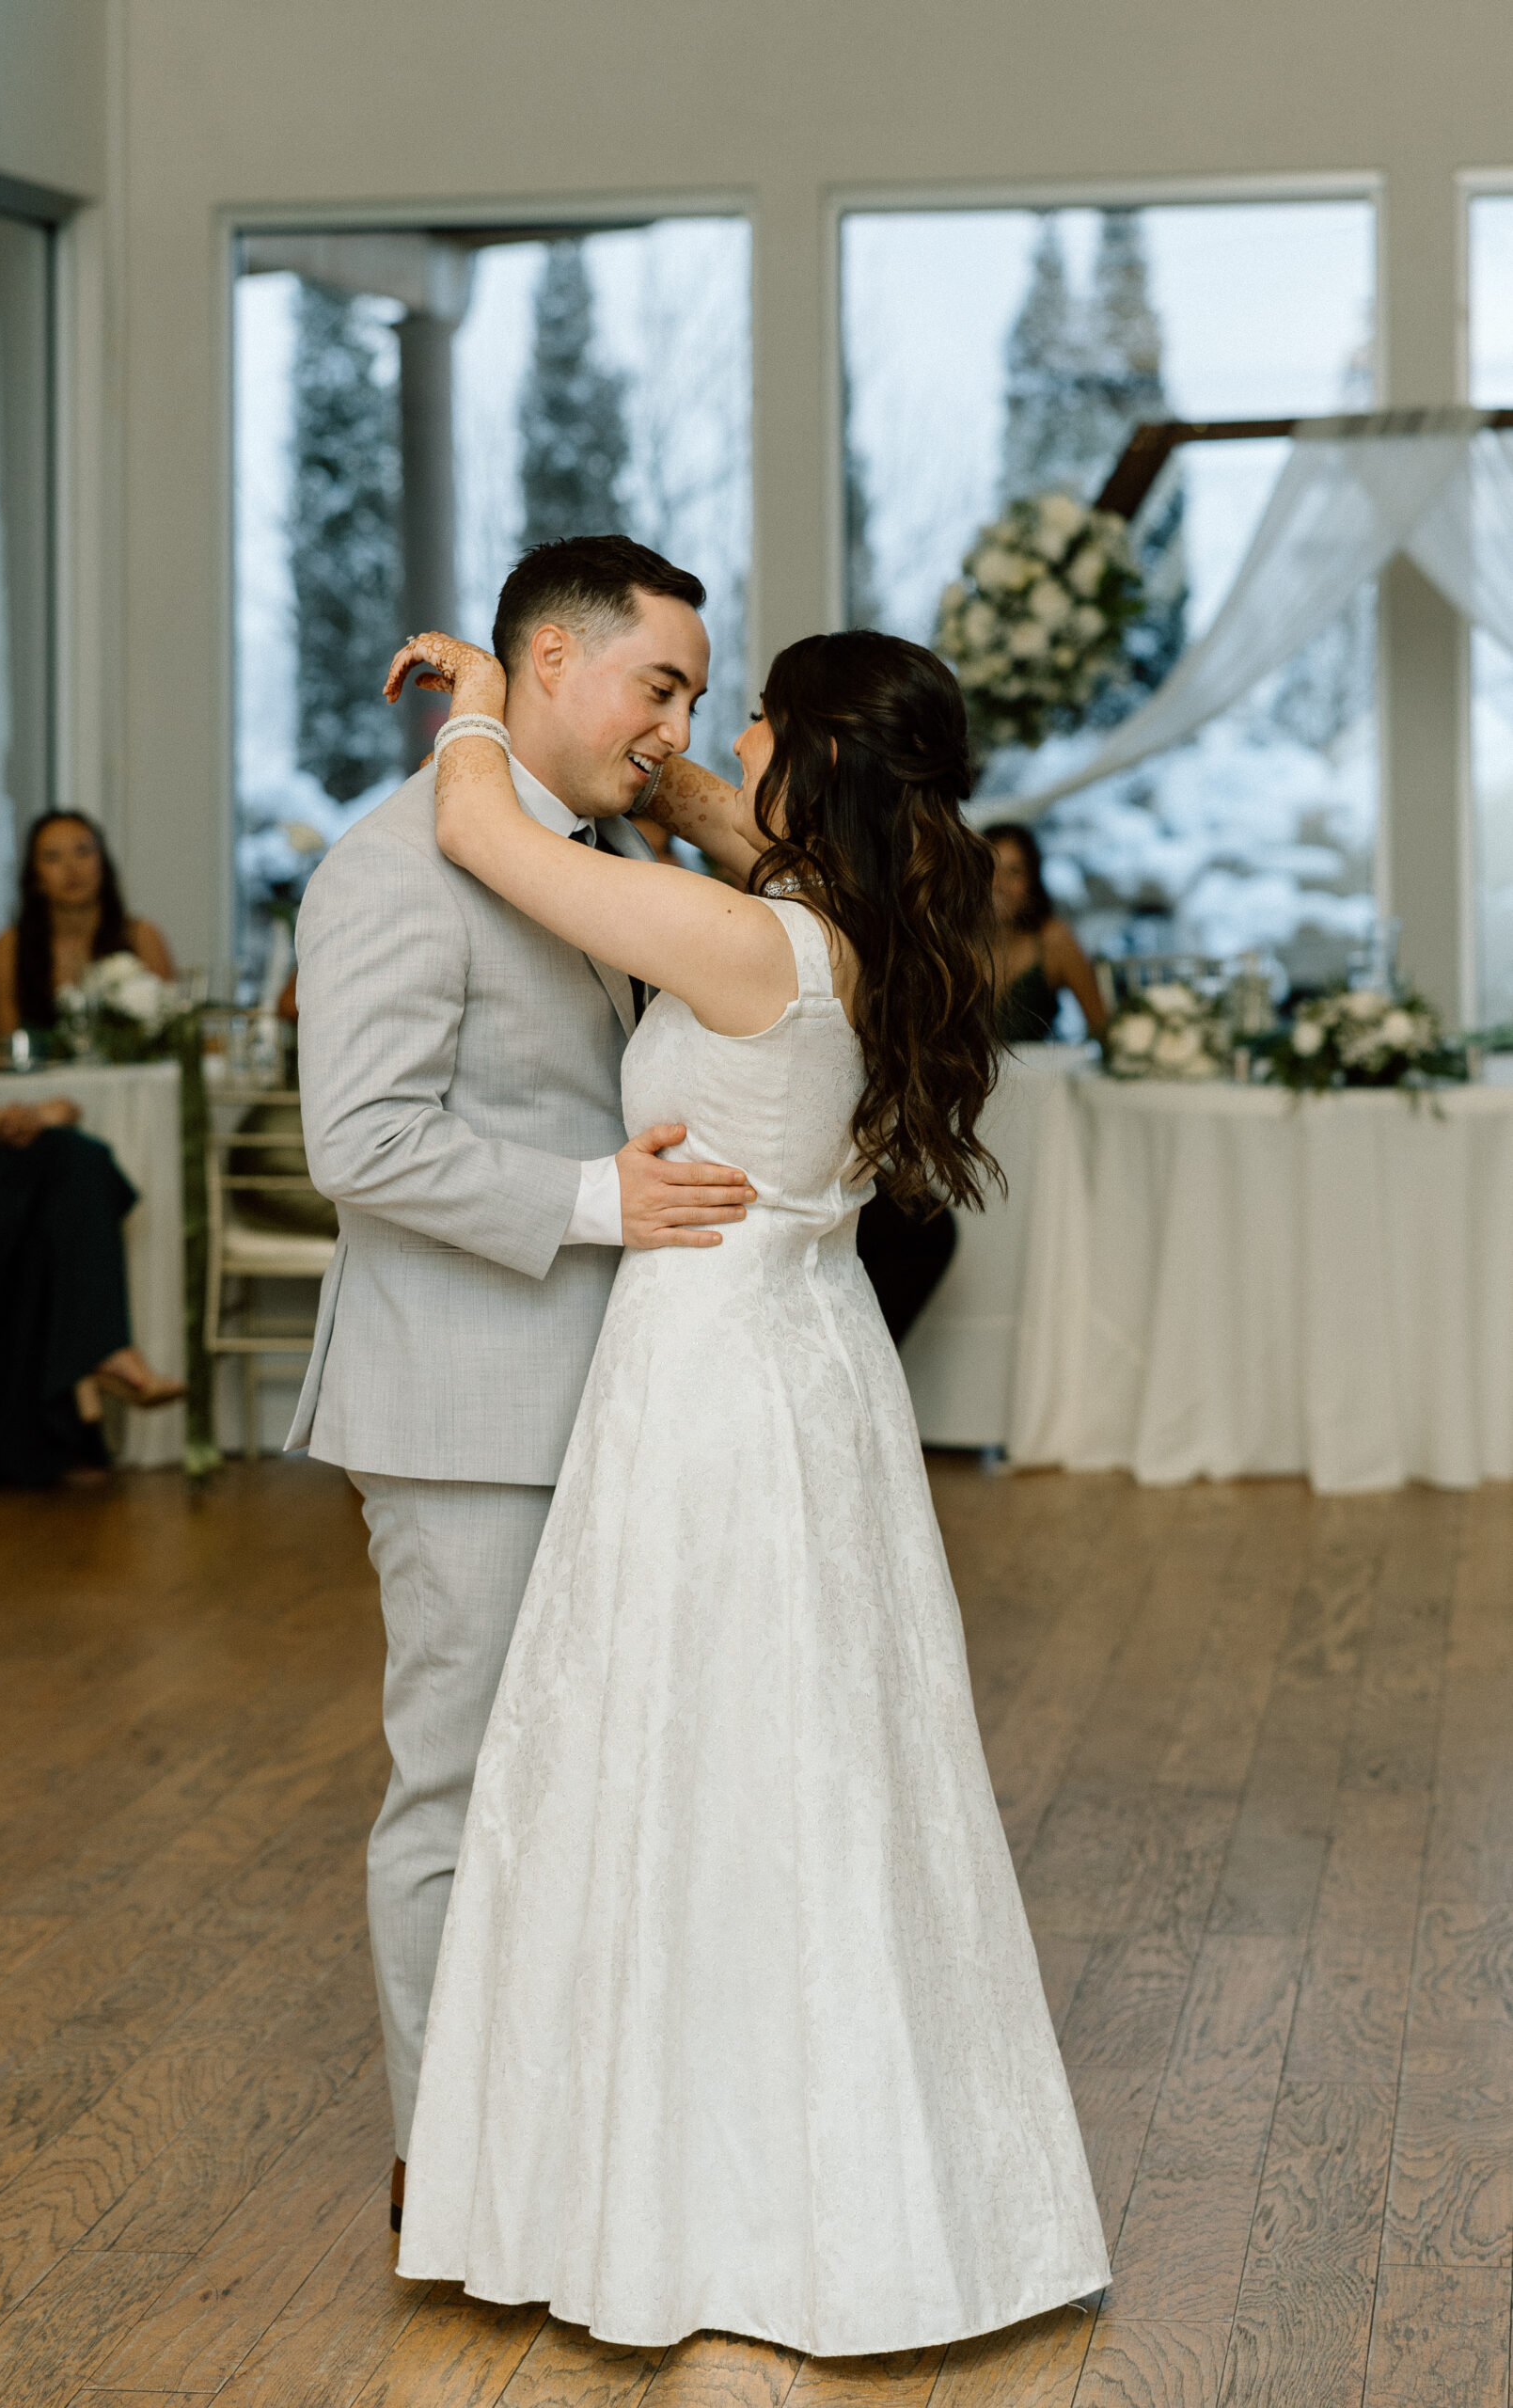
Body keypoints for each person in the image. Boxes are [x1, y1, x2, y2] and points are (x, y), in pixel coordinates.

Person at [387, 626, 1110, 2352]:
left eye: (752, 720)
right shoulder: (861, 926)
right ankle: (839, 2182)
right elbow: (741, 831)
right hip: (810, 1366)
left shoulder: (745, 943)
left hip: (710, 1379)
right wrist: (667, 767)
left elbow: (487, 840)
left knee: (692, 1758)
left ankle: (704, 2212)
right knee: (807, 1764)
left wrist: (490, 705)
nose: (723, 742)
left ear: (812, 757)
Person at [285, 537, 753, 2232]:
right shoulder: (398, 865)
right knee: (461, 1787)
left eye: (696, 697)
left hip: (602, 1394)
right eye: (659, 685)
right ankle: (451, 2170)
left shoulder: (587, 850)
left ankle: (568, 2143)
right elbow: (365, 1140)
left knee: (588, 1784)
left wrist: (675, 784)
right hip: (464, 1409)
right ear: (546, 663)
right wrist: (596, 1200)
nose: (676, 723)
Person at [0, 816, 184, 1487]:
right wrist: (12, 1118)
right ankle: (103, 1359)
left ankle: (48, 1435)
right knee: (71, 1164)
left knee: (61, 1174)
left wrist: (7, 1127)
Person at [0, 810, 176, 1037]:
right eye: (52, 857)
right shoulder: (11, 945)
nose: (71, 867)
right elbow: (6, 1039)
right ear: (35, 876)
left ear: (103, 863)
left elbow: (171, 1028)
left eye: (83, 851)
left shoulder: (141, 936)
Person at [983, 819, 1109, 1044]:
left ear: (1032, 881)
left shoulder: (1053, 939)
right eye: (989, 869)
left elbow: (1101, 1027)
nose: (999, 884)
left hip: (1037, 1076)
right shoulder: (953, 942)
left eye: (1014, 872)